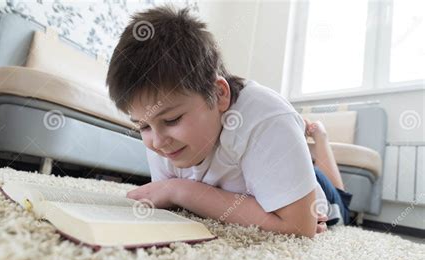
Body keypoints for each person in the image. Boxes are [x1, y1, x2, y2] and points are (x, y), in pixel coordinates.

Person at [106, 6, 350, 237]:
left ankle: (320, 136)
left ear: (219, 94)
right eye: (143, 126)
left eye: (172, 119)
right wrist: (174, 192)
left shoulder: (268, 118)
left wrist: (181, 190)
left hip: (317, 190)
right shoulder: (162, 132)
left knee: (339, 199)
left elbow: (299, 226)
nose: (158, 142)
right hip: (265, 173)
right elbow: (171, 201)